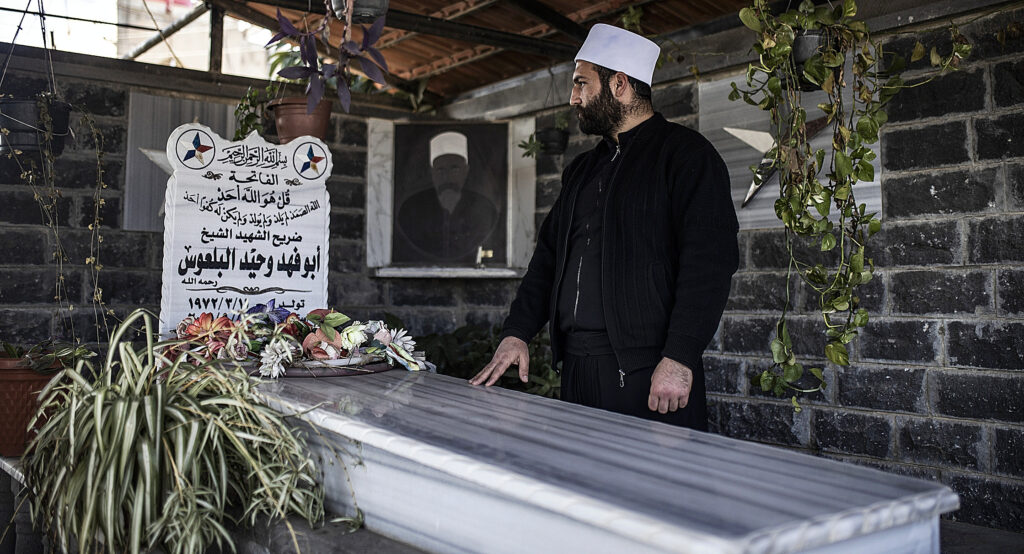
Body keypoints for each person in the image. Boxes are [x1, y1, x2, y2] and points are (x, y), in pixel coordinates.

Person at [469, 24, 739, 431]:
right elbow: (547, 260)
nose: (573, 97)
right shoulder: (582, 169)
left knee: (654, 493)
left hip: (649, 375)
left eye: (581, 83)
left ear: (619, 84)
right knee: (580, 488)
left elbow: (710, 264)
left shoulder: (687, 157)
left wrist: (680, 358)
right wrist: (518, 332)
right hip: (577, 371)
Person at [393, 131, 501, 265]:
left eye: (454, 169)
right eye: (440, 170)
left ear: (466, 170)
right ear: (431, 172)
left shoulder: (485, 208)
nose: (447, 177)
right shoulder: (411, 209)